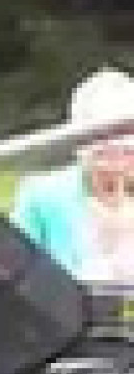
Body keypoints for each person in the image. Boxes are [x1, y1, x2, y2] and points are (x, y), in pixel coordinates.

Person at [12, 68, 134, 285]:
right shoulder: (40, 197)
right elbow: (17, 278)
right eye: (101, 132)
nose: (115, 144)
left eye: (126, 131)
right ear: (76, 137)